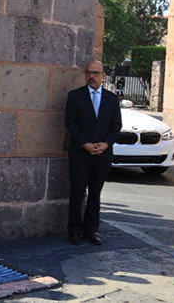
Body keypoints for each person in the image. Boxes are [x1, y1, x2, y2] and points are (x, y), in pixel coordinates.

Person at [64, 60, 122, 246]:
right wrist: (84, 144)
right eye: (89, 73)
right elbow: (70, 123)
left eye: (96, 73)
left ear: (103, 76)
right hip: (81, 154)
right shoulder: (75, 96)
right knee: (77, 193)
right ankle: (74, 231)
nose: (92, 76)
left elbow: (116, 125)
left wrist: (106, 144)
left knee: (95, 194)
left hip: (102, 156)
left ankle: (92, 230)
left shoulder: (112, 99)